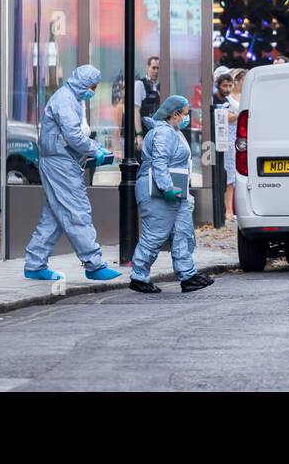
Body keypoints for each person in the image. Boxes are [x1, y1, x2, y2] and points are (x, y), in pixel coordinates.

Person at [23, 64, 122, 282]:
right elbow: (74, 135)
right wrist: (96, 149)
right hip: (60, 164)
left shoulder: (70, 98)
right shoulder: (65, 100)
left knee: (55, 215)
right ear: (84, 83)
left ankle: (35, 263)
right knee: (77, 211)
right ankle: (94, 264)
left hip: (60, 161)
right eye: (93, 86)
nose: (93, 91)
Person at [129, 95, 213, 294]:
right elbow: (159, 163)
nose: (186, 118)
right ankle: (139, 276)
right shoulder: (163, 134)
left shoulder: (173, 131)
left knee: (182, 233)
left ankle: (188, 275)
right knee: (155, 234)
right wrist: (167, 188)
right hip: (158, 192)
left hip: (175, 192)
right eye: (184, 114)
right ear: (175, 113)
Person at [223, 69, 246, 220]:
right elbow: (224, 116)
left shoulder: (246, 95)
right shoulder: (228, 98)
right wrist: (240, 115)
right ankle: (228, 210)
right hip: (231, 137)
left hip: (243, 138)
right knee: (230, 175)